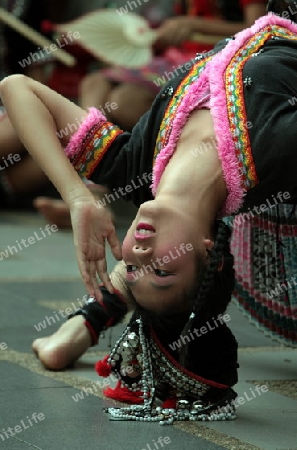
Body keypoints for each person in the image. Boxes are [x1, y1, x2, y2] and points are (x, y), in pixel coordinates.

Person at [0, 0, 294, 422]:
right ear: (209, 252)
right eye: (163, 270)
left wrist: (79, 197)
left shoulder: (134, 167)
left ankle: (81, 327)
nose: (138, 254)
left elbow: (16, 88)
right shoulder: (279, 152)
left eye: (132, 269)